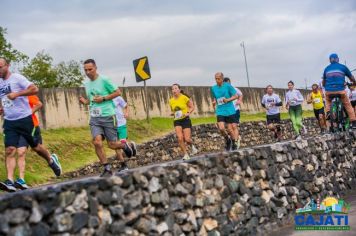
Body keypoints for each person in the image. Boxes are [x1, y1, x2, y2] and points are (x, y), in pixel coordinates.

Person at [0, 57, 62, 192]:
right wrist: (1, 108)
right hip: (9, 121)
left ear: (7, 66)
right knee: (10, 149)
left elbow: (34, 89)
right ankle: (10, 181)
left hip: (25, 119)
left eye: (0, 67)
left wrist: (17, 94)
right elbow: (2, 98)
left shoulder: (17, 78)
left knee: (36, 148)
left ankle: (51, 160)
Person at [79, 59, 137, 177]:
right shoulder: (86, 84)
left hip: (108, 116)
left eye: (90, 69)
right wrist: (85, 101)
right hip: (95, 117)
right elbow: (91, 99)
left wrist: (104, 98)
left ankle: (127, 145)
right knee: (97, 142)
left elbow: (117, 92)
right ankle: (106, 168)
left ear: (95, 68)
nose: (88, 72)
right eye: (85, 70)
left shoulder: (104, 80)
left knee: (112, 145)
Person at [13, 95, 43, 190]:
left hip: (32, 126)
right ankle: (21, 180)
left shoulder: (25, 91)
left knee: (39, 149)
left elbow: (39, 104)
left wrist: (27, 114)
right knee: (20, 152)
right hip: (19, 128)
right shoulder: (7, 94)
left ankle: (51, 158)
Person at [322, 53, 356, 129]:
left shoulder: (326, 68)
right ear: (338, 59)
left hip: (329, 91)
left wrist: (326, 86)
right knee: (347, 105)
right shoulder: (343, 67)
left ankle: (328, 112)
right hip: (340, 91)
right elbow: (351, 78)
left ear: (330, 60)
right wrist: (354, 82)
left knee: (327, 100)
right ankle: (353, 122)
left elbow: (323, 82)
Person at [169, 84, 198, 160]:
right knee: (180, 138)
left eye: (175, 88)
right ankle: (186, 154)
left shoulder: (184, 97)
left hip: (185, 119)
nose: (174, 90)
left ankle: (192, 147)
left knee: (187, 139)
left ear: (179, 89)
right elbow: (173, 110)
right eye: (172, 89)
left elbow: (192, 106)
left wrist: (188, 112)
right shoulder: (171, 100)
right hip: (177, 120)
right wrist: (172, 113)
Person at [211, 72, 238, 151]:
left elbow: (236, 96)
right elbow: (214, 98)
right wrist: (214, 102)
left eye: (218, 79)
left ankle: (233, 142)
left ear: (222, 79)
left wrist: (228, 100)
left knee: (230, 129)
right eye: (215, 79)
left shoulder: (228, 86)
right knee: (221, 128)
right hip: (220, 110)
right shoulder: (213, 88)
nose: (217, 80)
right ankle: (227, 139)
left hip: (229, 110)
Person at [223, 77, 242, 149]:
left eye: (229, 83)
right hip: (227, 112)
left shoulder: (235, 89)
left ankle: (236, 142)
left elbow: (240, 95)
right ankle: (235, 140)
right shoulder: (223, 91)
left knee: (234, 126)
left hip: (235, 110)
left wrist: (239, 101)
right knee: (229, 129)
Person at [112, 94, 130, 172]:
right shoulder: (104, 100)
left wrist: (126, 113)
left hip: (121, 123)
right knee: (116, 145)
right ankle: (123, 164)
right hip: (111, 126)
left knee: (123, 142)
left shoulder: (117, 97)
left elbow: (125, 106)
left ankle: (131, 146)